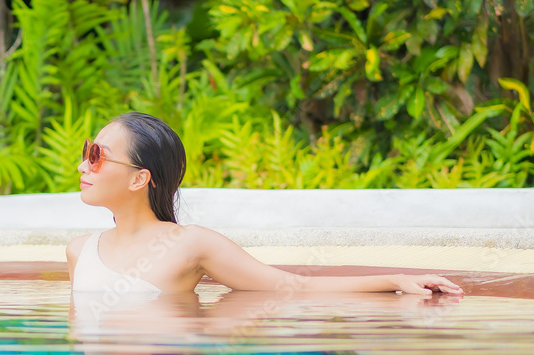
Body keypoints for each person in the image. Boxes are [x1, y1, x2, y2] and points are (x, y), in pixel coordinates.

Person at [67, 112, 465, 297]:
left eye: (97, 155)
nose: (83, 164)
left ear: (140, 178)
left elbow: (292, 287)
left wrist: (394, 281)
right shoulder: (79, 251)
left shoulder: (190, 244)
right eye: (88, 152)